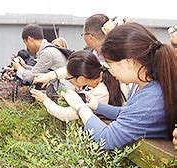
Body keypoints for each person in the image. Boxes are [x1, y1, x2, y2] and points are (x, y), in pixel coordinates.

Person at [61, 22, 177, 150]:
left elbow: (107, 139)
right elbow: (128, 113)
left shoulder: (152, 98)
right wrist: (97, 106)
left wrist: (81, 108)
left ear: (128, 62)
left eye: (110, 63)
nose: (108, 69)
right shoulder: (143, 84)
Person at [30, 50, 126, 122]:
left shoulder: (100, 94)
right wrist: (49, 76)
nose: (67, 77)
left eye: (69, 78)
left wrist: (44, 100)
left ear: (81, 79)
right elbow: (67, 71)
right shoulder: (101, 69)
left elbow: (66, 115)